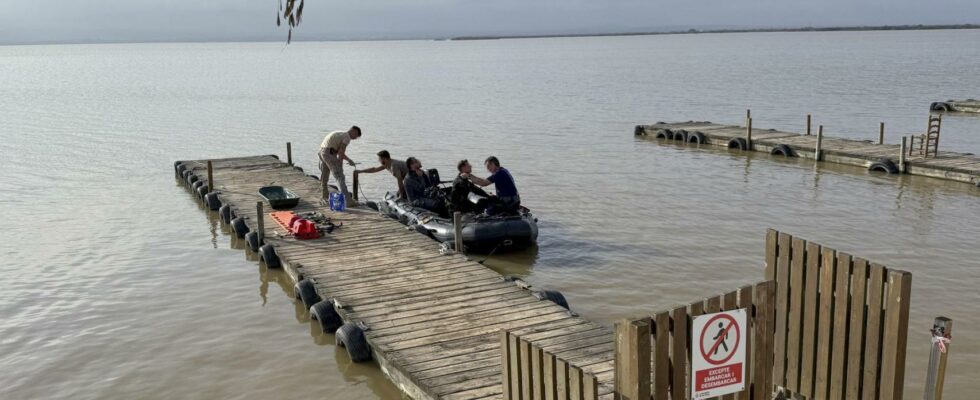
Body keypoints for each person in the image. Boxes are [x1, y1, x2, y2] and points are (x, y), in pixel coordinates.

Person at [318, 126, 361, 203]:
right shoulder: (347, 137)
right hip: (329, 154)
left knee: (324, 177)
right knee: (340, 177)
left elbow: (338, 152)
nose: (355, 138)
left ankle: (325, 198)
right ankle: (348, 201)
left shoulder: (339, 133)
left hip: (322, 152)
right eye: (356, 136)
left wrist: (349, 160)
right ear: (353, 131)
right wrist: (340, 166)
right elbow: (341, 153)